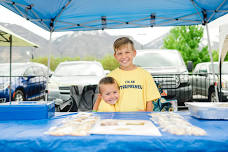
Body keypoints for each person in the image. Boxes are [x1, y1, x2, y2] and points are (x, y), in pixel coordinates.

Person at [94, 37, 161, 112]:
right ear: (115, 56)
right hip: (119, 120)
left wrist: (147, 116)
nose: (123, 56)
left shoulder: (145, 75)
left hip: (140, 121)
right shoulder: (111, 76)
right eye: (120, 53)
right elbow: (105, 101)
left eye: (127, 52)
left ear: (134, 53)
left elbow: (150, 101)